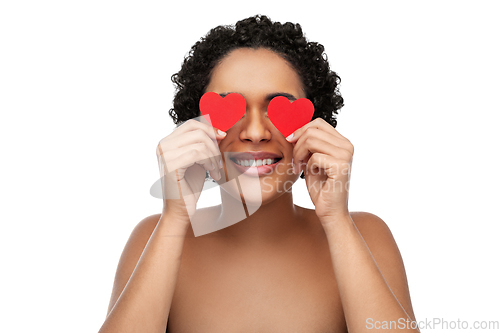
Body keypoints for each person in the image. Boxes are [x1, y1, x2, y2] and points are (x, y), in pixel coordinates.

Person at [99, 15, 418, 333]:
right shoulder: (154, 237)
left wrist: (337, 220)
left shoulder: (366, 235)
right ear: (195, 128)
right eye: (231, 109)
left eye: (279, 107)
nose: (254, 132)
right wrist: (175, 217)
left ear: (314, 126)